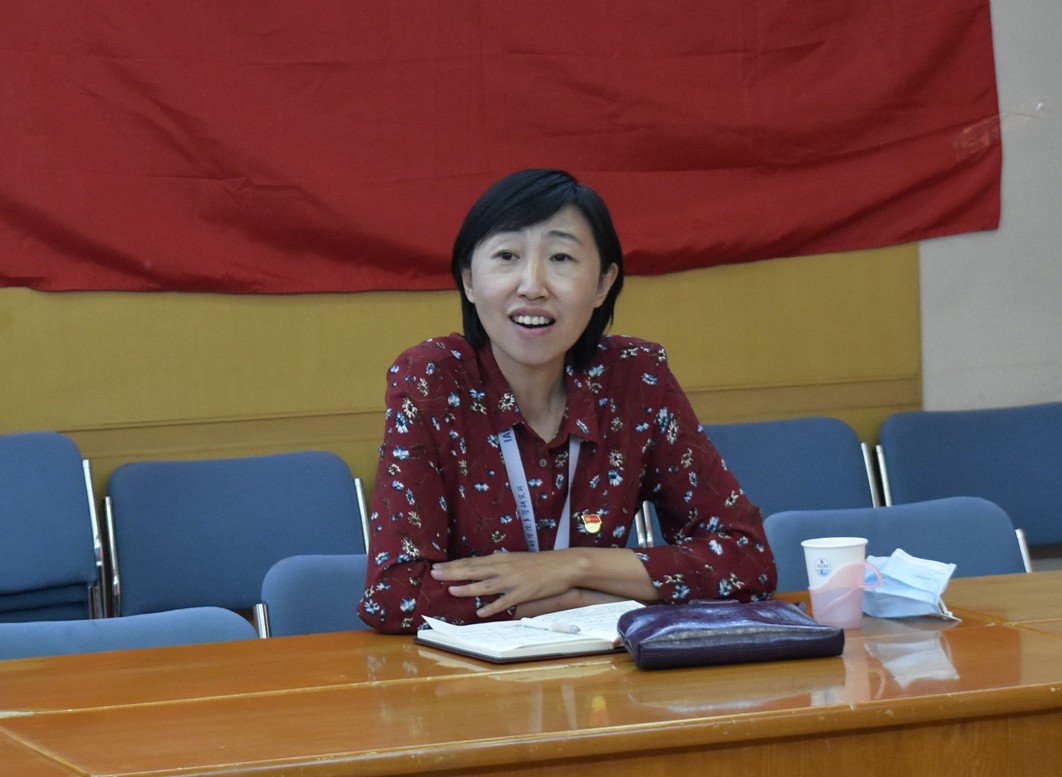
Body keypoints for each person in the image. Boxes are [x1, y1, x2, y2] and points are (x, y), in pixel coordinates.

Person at [358, 169, 776, 633]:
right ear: (469, 280)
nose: (533, 286)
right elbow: (395, 595)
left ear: (602, 284)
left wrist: (573, 567)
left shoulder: (634, 378)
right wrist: (574, 602)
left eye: (561, 258)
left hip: (608, 669)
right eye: (507, 256)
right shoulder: (432, 379)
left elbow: (747, 558)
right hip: (467, 672)